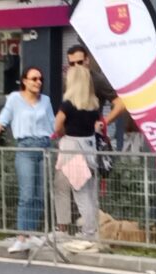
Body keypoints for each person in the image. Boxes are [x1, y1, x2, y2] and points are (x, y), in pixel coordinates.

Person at [0, 66, 55, 254]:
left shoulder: (45, 101)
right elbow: (2, 120)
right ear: (24, 81)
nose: (38, 82)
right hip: (25, 147)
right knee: (27, 194)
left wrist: (59, 144)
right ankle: (21, 237)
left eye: (40, 79)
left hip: (44, 147)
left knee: (39, 195)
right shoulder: (14, 99)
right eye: (34, 79)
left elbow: (53, 124)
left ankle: (30, 235)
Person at [54, 64, 104, 241]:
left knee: (78, 191)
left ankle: (87, 232)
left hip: (71, 149)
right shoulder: (94, 106)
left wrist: (61, 134)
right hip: (88, 149)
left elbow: (57, 125)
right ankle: (92, 230)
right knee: (88, 192)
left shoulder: (67, 105)